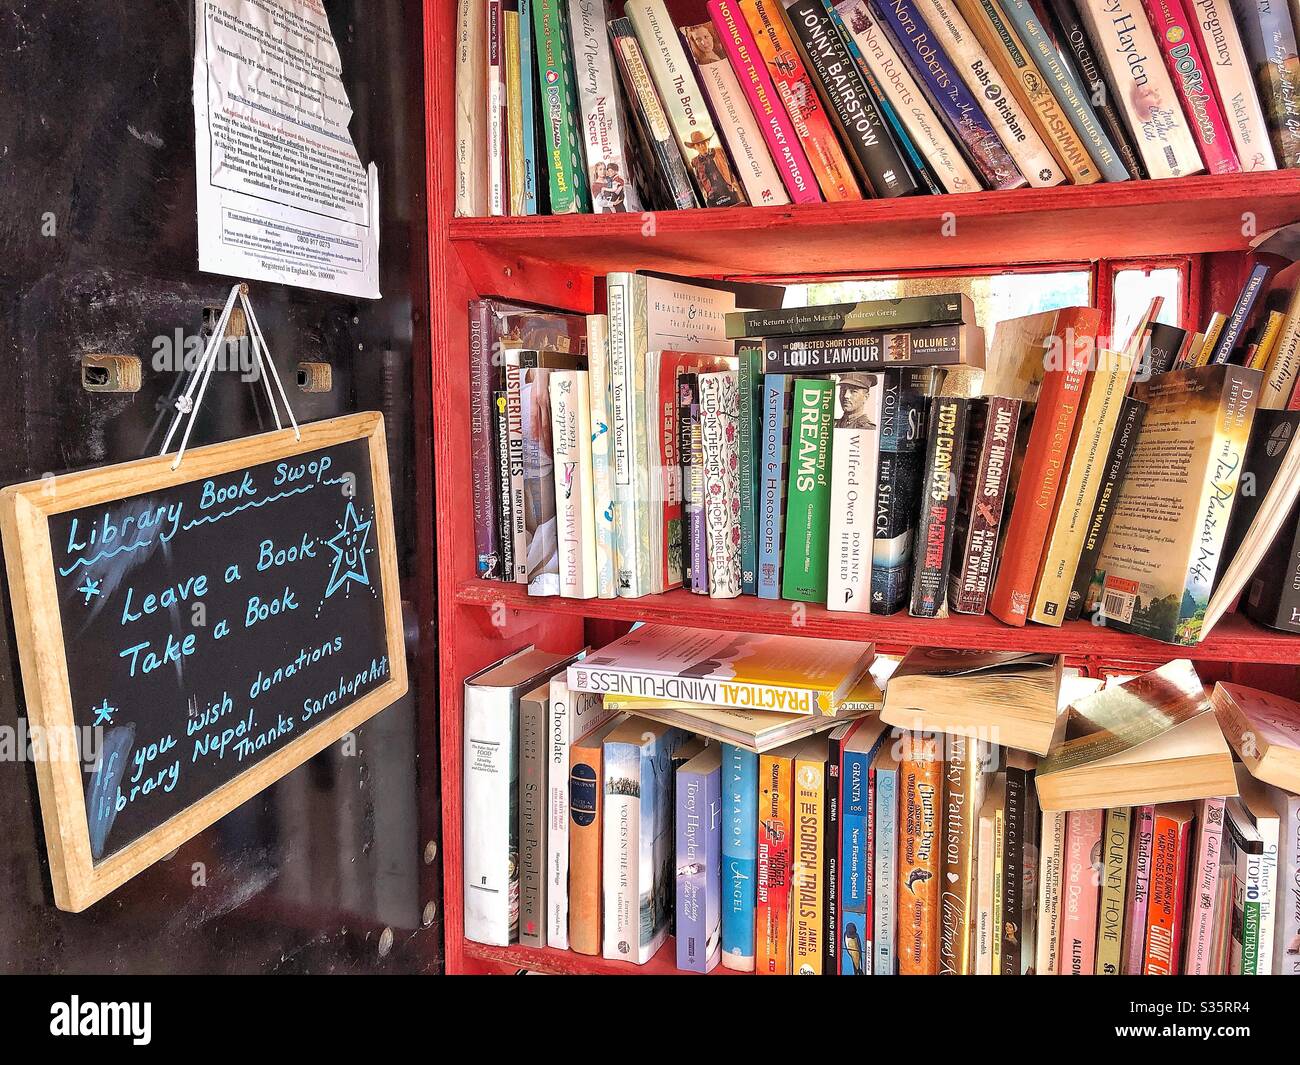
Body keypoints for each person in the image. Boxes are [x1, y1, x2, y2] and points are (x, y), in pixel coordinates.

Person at [683, 129, 743, 207]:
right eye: (698, 145)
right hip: (712, 198)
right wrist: (705, 192)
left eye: (703, 143)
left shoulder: (720, 151)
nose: (702, 146)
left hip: (730, 191)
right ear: (695, 147)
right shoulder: (695, 162)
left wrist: (734, 184)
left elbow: (732, 168)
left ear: (708, 142)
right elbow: (697, 179)